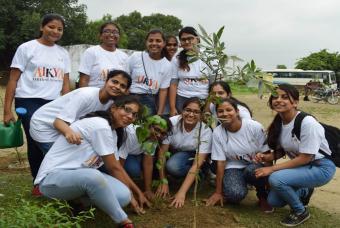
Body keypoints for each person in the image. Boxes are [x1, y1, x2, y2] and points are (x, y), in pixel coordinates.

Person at [34, 96, 149, 228]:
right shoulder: (100, 125)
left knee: (123, 196)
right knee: (94, 177)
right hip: (51, 180)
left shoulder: (114, 133)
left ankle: (78, 202)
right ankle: (124, 222)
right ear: (113, 108)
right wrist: (135, 197)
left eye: (134, 115)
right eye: (127, 110)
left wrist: (132, 195)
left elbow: (117, 167)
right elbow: (113, 168)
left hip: (79, 178)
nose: (130, 116)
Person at [254, 84, 336, 226]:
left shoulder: (307, 122)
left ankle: (300, 212)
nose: (278, 100)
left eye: (285, 97)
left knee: (276, 179)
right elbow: (285, 149)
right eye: (275, 97)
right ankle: (304, 191)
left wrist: (271, 168)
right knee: (274, 201)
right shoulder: (280, 122)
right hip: (303, 167)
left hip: (321, 167)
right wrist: (267, 157)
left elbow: (306, 157)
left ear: (296, 102)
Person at [3, 13, 70, 182]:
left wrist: (69, 107)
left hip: (53, 103)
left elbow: (65, 84)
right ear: (42, 27)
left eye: (59, 29)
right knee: (35, 140)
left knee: (55, 139)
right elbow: (13, 79)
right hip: (28, 101)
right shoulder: (27, 48)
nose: (55, 31)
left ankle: (54, 177)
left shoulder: (63, 53)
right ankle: (38, 181)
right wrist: (7, 111)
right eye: (51, 27)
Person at [29, 70, 131, 180]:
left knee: (76, 159)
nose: (117, 86)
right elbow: (58, 122)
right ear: (106, 81)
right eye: (114, 82)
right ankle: (43, 184)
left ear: (126, 91)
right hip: (45, 125)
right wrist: (69, 133)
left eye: (122, 86)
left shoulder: (112, 105)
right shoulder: (86, 95)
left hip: (67, 127)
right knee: (61, 160)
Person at [205, 98, 273, 213]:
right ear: (216, 115)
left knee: (252, 171)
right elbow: (221, 163)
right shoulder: (217, 132)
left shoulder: (254, 127)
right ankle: (237, 186)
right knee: (235, 195)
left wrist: (269, 185)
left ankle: (262, 196)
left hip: (254, 165)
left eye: (228, 110)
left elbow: (267, 155)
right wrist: (218, 192)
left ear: (237, 111)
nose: (225, 113)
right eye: (220, 111)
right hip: (233, 166)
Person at [155, 97, 212, 208]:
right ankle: (173, 178)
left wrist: (181, 192)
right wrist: (163, 181)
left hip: (191, 156)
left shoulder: (205, 130)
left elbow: (197, 163)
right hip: (173, 152)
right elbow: (162, 153)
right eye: (188, 110)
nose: (191, 114)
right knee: (161, 163)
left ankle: (200, 176)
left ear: (202, 115)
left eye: (196, 112)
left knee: (173, 166)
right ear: (182, 111)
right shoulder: (172, 122)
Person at [118, 115, 172, 200]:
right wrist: (131, 194)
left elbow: (148, 163)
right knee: (134, 170)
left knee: (136, 169)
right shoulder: (132, 133)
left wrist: (148, 190)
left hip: (133, 154)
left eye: (162, 133)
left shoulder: (153, 139)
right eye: (157, 130)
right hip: (118, 156)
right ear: (147, 125)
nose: (158, 135)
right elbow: (118, 167)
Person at [169, 26, 212, 116]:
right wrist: (172, 108)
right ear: (180, 42)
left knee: (202, 126)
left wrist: (208, 107)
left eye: (190, 38)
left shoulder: (209, 56)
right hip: (182, 99)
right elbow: (173, 84)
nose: (187, 42)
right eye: (183, 39)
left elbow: (214, 84)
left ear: (198, 39)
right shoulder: (177, 58)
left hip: (203, 99)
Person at [127, 29, 172, 115]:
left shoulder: (167, 65)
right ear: (146, 42)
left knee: (146, 127)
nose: (154, 43)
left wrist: (159, 114)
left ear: (164, 43)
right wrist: (125, 98)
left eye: (158, 41)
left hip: (149, 100)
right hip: (131, 96)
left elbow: (163, 91)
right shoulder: (136, 56)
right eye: (150, 40)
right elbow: (125, 77)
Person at [78, 22, 128, 88]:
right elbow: (84, 80)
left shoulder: (124, 57)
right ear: (100, 36)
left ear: (119, 36)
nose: (111, 35)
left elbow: (125, 82)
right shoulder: (91, 52)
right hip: (93, 96)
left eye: (115, 32)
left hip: (116, 97)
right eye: (107, 31)